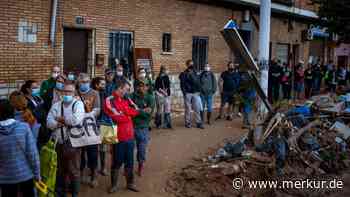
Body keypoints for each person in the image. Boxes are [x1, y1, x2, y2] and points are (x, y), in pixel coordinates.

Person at [47, 83, 85, 197]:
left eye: (69, 92)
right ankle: (60, 192)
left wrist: (59, 119)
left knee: (74, 170)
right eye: (65, 91)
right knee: (60, 169)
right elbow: (49, 122)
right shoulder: (56, 105)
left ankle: (74, 193)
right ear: (61, 93)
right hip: (58, 142)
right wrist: (59, 122)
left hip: (73, 143)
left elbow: (76, 120)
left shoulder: (78, 104)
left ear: (74, 93)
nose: (67, 94)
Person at [104, 80, 139, 193]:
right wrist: (127, 115)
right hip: (116, 136)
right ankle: (114, 185)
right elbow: (115, 116)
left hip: (129, 135)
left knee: (130, 161)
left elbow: (135, 110)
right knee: (116, 162)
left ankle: (130, 183)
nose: (128, 91)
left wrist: (125, 113)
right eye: (126, 89)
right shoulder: (109, 100)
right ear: (120, 88)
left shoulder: (127, 99)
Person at [0, 99, 40, 197]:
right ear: (13, 111)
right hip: (26, 176)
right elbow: (32, 154)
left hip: (5, 179)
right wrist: (37, 174)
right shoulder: (24, 127)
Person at [77, 73, 101, 188]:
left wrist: (87, 115)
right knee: (79, 152)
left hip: (91, 127)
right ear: (78, 82)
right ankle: (80, 173)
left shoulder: (94, 93)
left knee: (92, 153)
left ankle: (94, 175)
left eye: (86, 81)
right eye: (82, 82)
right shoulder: (74, 93)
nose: (84, 84)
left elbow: (97, 110)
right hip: (77, 128)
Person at [130, 80, 155, 176]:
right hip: (131, 126)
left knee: (141, 149)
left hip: (143, 127)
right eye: (140, 86)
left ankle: (140, 166)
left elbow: (148, 115)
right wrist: (142, 111)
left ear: (148, 87)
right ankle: (128, 168)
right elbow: (128, 110)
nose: (142, 87)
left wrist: (136, 110)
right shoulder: (132, 96)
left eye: (145, 86)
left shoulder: (150, 98)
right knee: (129, 149)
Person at [21, 80, 48, 148]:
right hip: (33, 128)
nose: (37, 89)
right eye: (34, 88)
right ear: (28, 89)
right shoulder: (24, 100)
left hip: (42, 128)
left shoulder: (37, 98)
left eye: (37, 87)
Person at [91, 76, 109, 176]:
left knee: (103, 148)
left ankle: (103, 167)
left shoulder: (105, 94)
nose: (104, 86)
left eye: (104, 84)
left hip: (104, 122)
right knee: (93, 148)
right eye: (102, 84)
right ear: (96, 85)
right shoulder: (91, 94)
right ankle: (93, 169)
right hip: (92, 124)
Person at [179, 60, 204, 129]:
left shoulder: (195, 72)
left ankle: (198, 123)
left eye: (192, 64)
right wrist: (184, 93)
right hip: (188, 93)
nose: (192, 65)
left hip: (195, 93)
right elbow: (182, 84)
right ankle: (187, 122)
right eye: (190, 64)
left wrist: (199, 90)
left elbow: (198, 82)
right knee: (188, 109)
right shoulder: (184, 73)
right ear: (187, 65)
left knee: (197, 108)